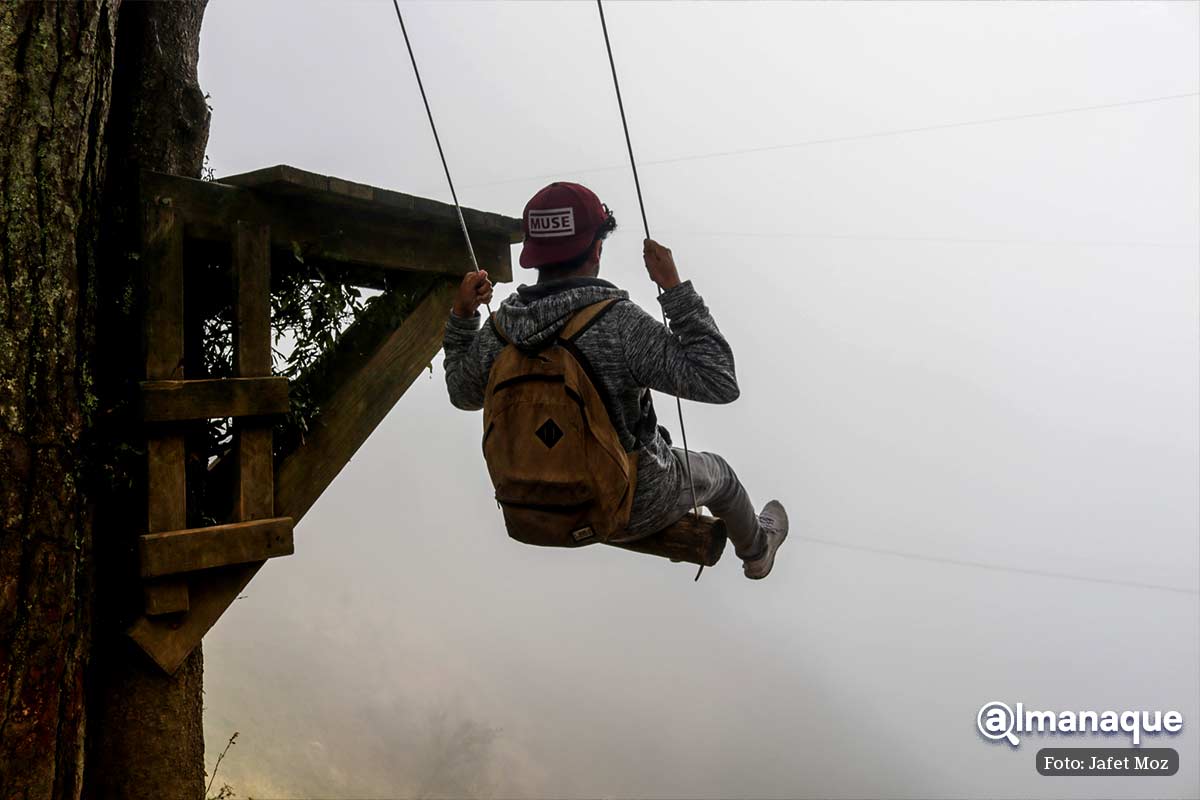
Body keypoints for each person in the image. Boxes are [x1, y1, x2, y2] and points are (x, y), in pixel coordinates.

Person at [442, 182, 789, 579]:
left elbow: (463, 394)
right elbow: (719, 380)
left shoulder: (501, 328)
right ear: (596, 249)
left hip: (527, 501)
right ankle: (758, 551)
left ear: (533, 253)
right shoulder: (618, 323)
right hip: (628, 504)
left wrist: (463, 317)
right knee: (721, 475)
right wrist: (675, 291)